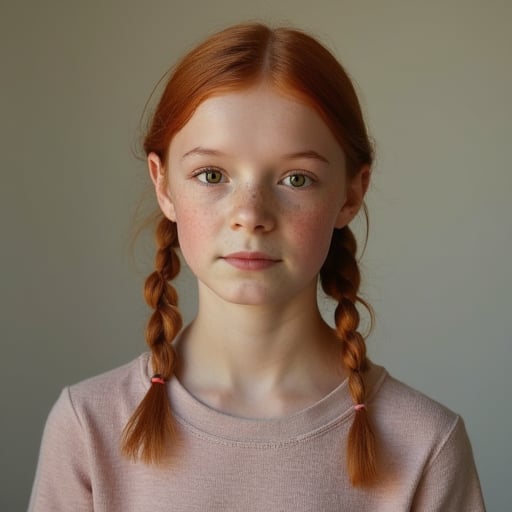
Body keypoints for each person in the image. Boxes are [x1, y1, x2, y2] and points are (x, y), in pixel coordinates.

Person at [29, 22, 485, 511]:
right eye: (211, 175)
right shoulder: (87, 427)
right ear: (164, 185)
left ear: (352, 192)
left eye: (296, 178)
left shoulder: (426, 445)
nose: (250, 215)